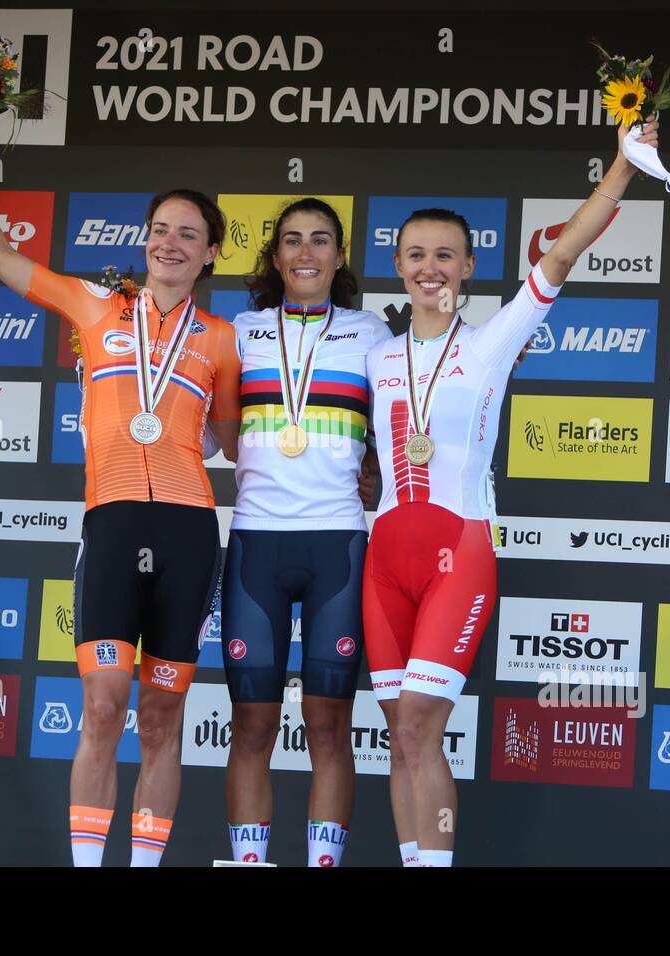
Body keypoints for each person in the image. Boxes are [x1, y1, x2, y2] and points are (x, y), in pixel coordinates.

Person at [0, 104, 242, 867]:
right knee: (103, 708)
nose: (171, 244)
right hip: (111, 525)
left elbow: (238, 444)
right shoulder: (94, 305)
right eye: (161, 230)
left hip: (188, 531)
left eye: (189, 236)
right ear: (145, 241)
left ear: (209, 256)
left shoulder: (224, 340)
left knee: (163, 714)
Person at [363, 116, 661, 867]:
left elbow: (564, 248)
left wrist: (622, 163)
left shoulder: (494, 338)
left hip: (458, 549)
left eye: (446, 256)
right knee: (399, 730)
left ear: (468, 266)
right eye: (416, 255)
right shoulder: (370, 351)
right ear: (396, 263)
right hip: (383, 556)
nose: (430, 268)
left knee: (424, 723)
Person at [221, 198, 393, 866]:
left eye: (320, 240)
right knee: (252, 726)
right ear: (274, 257)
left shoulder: (371, 333)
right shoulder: (241, 331)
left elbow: (401, 416)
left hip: (337, 545)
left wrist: (373, 465)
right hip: (257, 543)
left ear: (340, 256)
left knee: (329, 726)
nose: (305, 253)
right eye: (291, 240)